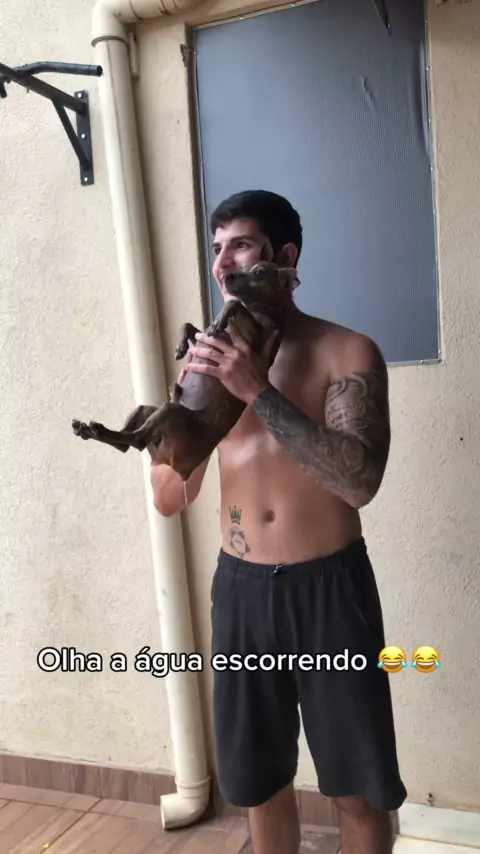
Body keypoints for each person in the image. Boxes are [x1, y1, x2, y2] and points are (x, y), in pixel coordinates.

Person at [150, 190, 407, 854]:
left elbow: (359, 483)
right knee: (260, 785)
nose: (223, 263)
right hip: (242, 593)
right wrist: (192, 416)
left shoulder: (346, 350)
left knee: (358, 790)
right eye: (216, 249)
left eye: (240, 245)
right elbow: (168, 497)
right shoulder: (206, 364)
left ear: (285, 257)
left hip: (331, 593)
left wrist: (256, 390)